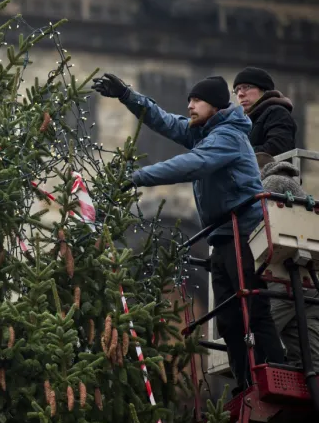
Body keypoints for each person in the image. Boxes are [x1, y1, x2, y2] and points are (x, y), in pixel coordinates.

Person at [92, 73, 285, 392]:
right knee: (227, 319)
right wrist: (127, 95)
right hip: (222, 236)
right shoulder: (205, 131)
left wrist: (137, 176)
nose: (190, 106)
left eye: (197, 101)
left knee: (254, 309)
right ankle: (245, 383)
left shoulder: (228, 137)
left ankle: (274, 374)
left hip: (243, 233)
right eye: (189, 101)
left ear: (216, 106)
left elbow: (193, 164)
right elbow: (165, 121)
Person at [260, 160, 319, 373]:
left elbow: (258, 215)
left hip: (286, 277)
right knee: (307, 343)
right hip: (308, 279)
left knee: (261, 327)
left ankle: (259, 373)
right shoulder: (292, 184)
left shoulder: (272, 182)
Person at [233, 67, 297, 156]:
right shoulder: (242, 122)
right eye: (236, 90)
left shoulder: (277, 113)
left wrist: (234, 153)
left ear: (264, 90)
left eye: (246, 87)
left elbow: (277, 149)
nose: (240, 94)